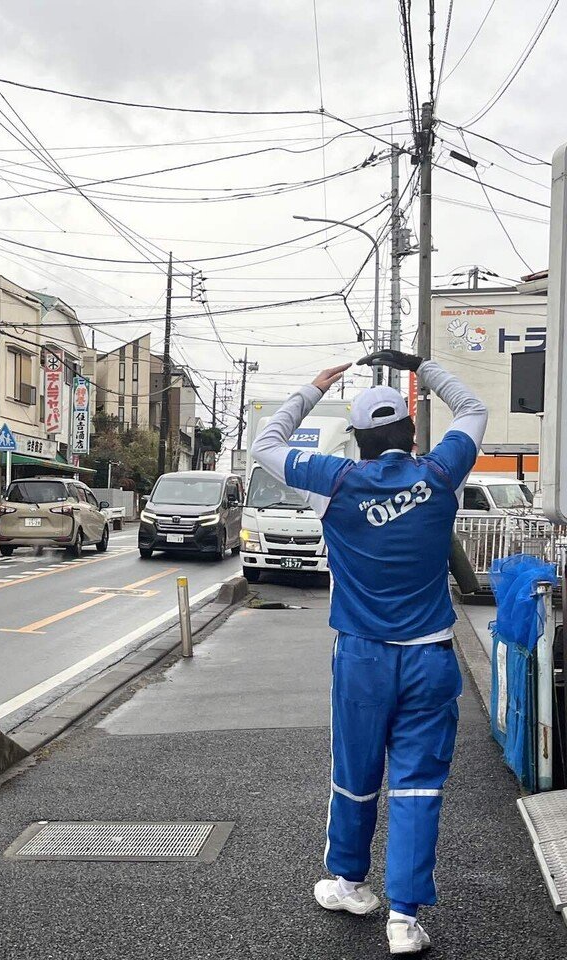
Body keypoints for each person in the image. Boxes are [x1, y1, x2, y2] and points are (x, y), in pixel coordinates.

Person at [250, 350, 487, 955]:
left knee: (355, 776)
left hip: (360, 656)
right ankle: (404, 920)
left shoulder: (334, 481)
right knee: (417, 786)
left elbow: (266, 444)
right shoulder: (441, 474)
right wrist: (423, 367)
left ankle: (349, 882)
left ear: (357, 439)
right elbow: (474, 407)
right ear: (410, 432)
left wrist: (314, 386)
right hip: (431, 656)